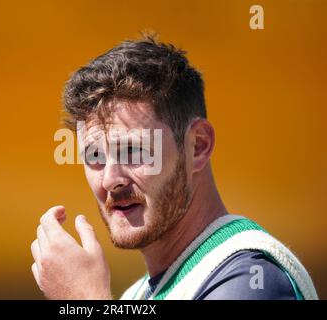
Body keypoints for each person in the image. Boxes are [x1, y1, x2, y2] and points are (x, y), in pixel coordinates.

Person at [30, 36, 318, 300]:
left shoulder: (251, 281)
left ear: (198, 146)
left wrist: (85, 299)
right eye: (94, 155)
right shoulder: (137, 296)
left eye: (133, 149)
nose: (110, 179)